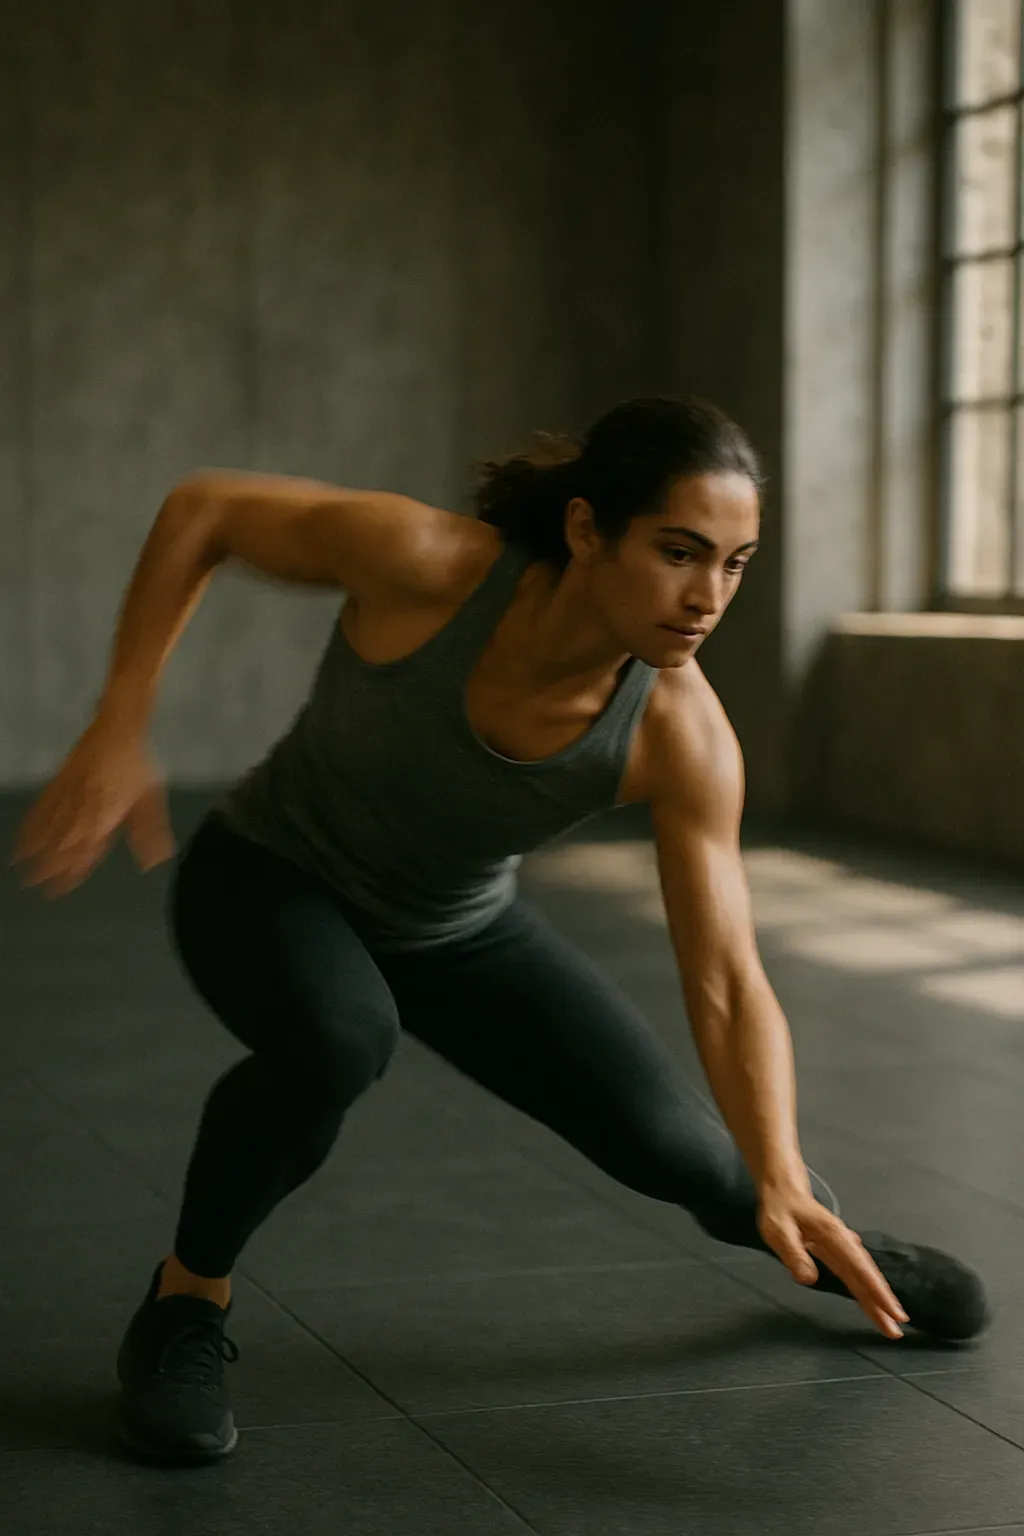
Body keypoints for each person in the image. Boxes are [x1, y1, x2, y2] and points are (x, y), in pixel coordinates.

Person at [12, 396, 989, 1466]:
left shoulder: (681, 732)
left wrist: (783, 1171)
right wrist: (120, 717)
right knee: (341, 1036)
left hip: (456, 931)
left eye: (735, 564)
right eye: (678, 552)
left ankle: (826, 1235)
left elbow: (725, 980)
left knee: (712, 1169)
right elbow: (204, 509)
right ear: (586, 529)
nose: (708, 597)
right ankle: (184, 1304)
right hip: (268, 878)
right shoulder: (428, 566)